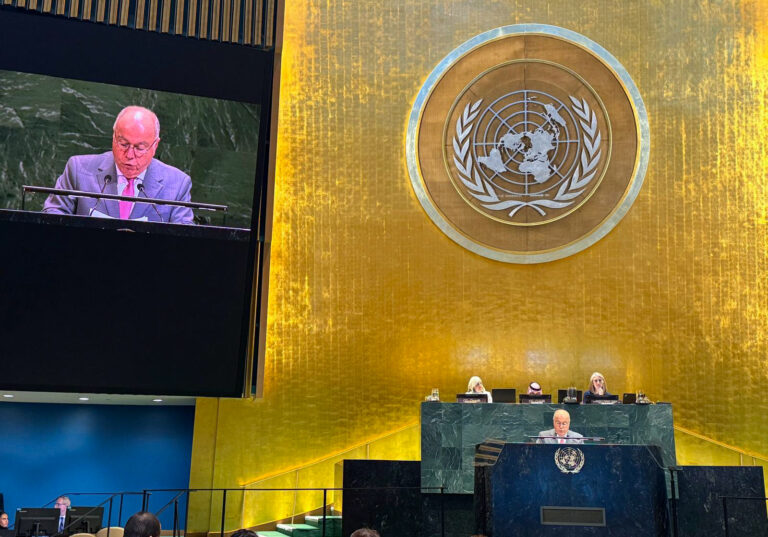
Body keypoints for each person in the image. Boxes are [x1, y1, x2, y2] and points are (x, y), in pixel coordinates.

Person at [43, 106, 194, 224]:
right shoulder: (78, 169)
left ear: (155, 145)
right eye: (123, 144)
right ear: (114, 137)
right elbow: (52, 216)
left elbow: (184, 236)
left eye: (140, 148)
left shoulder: (177, 184)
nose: (129, 155)